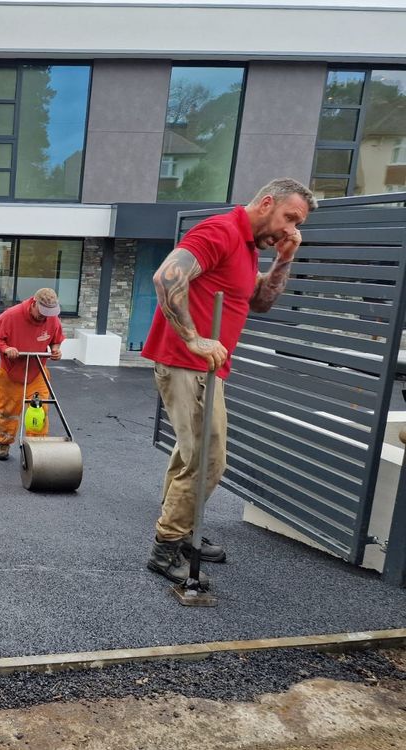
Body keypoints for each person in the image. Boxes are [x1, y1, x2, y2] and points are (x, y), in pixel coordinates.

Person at [142, 177, 316, 585]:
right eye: (289, 217)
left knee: (191, 456)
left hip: (207, 368)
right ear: (267, 202)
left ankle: (181, 533)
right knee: (209, 459)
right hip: (186, 363)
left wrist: (284, 260)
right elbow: (166, 277)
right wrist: (194, 338)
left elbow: (261, 303)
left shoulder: (251, 249)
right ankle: (165, 548)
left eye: (298, 224)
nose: (292, 229)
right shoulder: (221, 230)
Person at [0, 288, 65, 460]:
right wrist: (6, 348)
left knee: (39, 410)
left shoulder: (51, 318)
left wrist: (56, 350)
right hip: (11, 372)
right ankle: (4, 443)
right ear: (34, 304)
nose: (45, 317)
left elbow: (56, 339)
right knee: (8, 412)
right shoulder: (12, 315)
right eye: (42, 312)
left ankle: (36, 449)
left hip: (37, 372)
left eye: (49, 313)